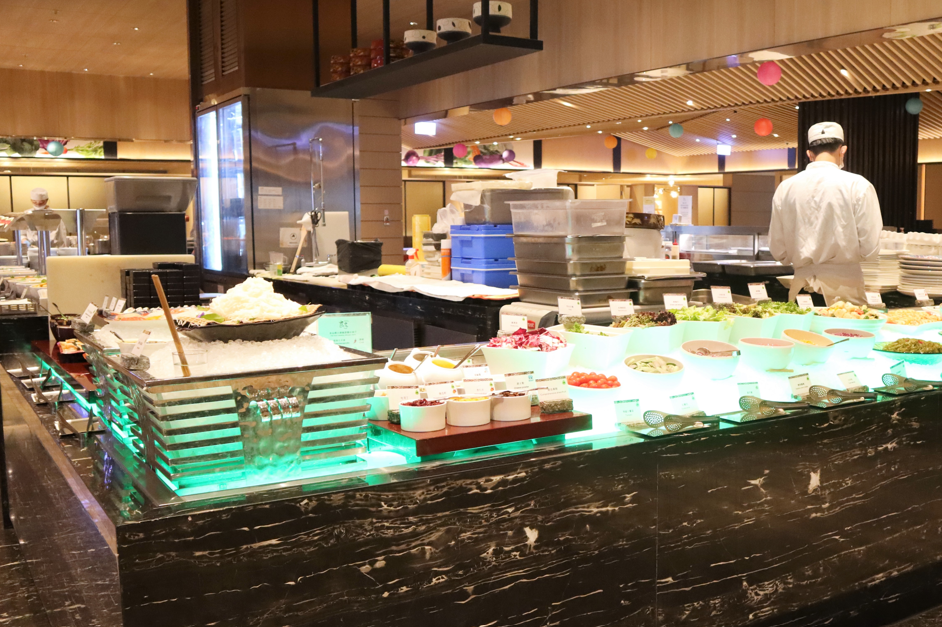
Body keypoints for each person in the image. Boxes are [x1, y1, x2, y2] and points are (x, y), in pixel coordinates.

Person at [769, 122, 883, 306]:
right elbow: (870, 248)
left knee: (801, 326)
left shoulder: (786, 188)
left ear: (809, 154)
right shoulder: (858, 185)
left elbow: (778, 250)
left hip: (802, 289)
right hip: (845, 290)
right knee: (845, 325)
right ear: (842, 150)